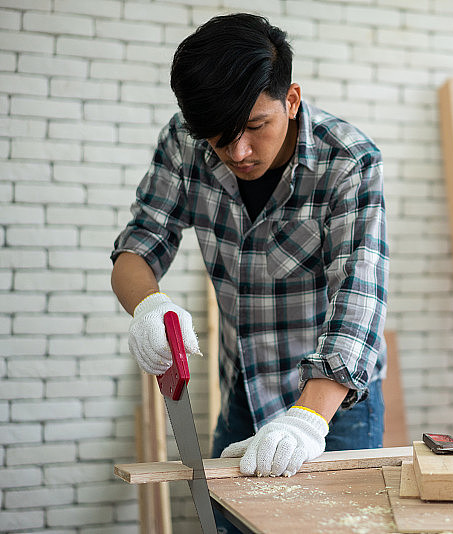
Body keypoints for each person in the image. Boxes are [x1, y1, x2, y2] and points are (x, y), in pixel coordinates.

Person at [111, 11, 388, 491]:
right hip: (244, 386)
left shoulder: (347, 161)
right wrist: (148, 307)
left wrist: (305, 421)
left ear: (292, 99)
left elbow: (359, 304)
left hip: (333, 404)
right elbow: (139, 244)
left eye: (256, 126)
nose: (238, 151)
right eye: (219, 137)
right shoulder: (184, 142)